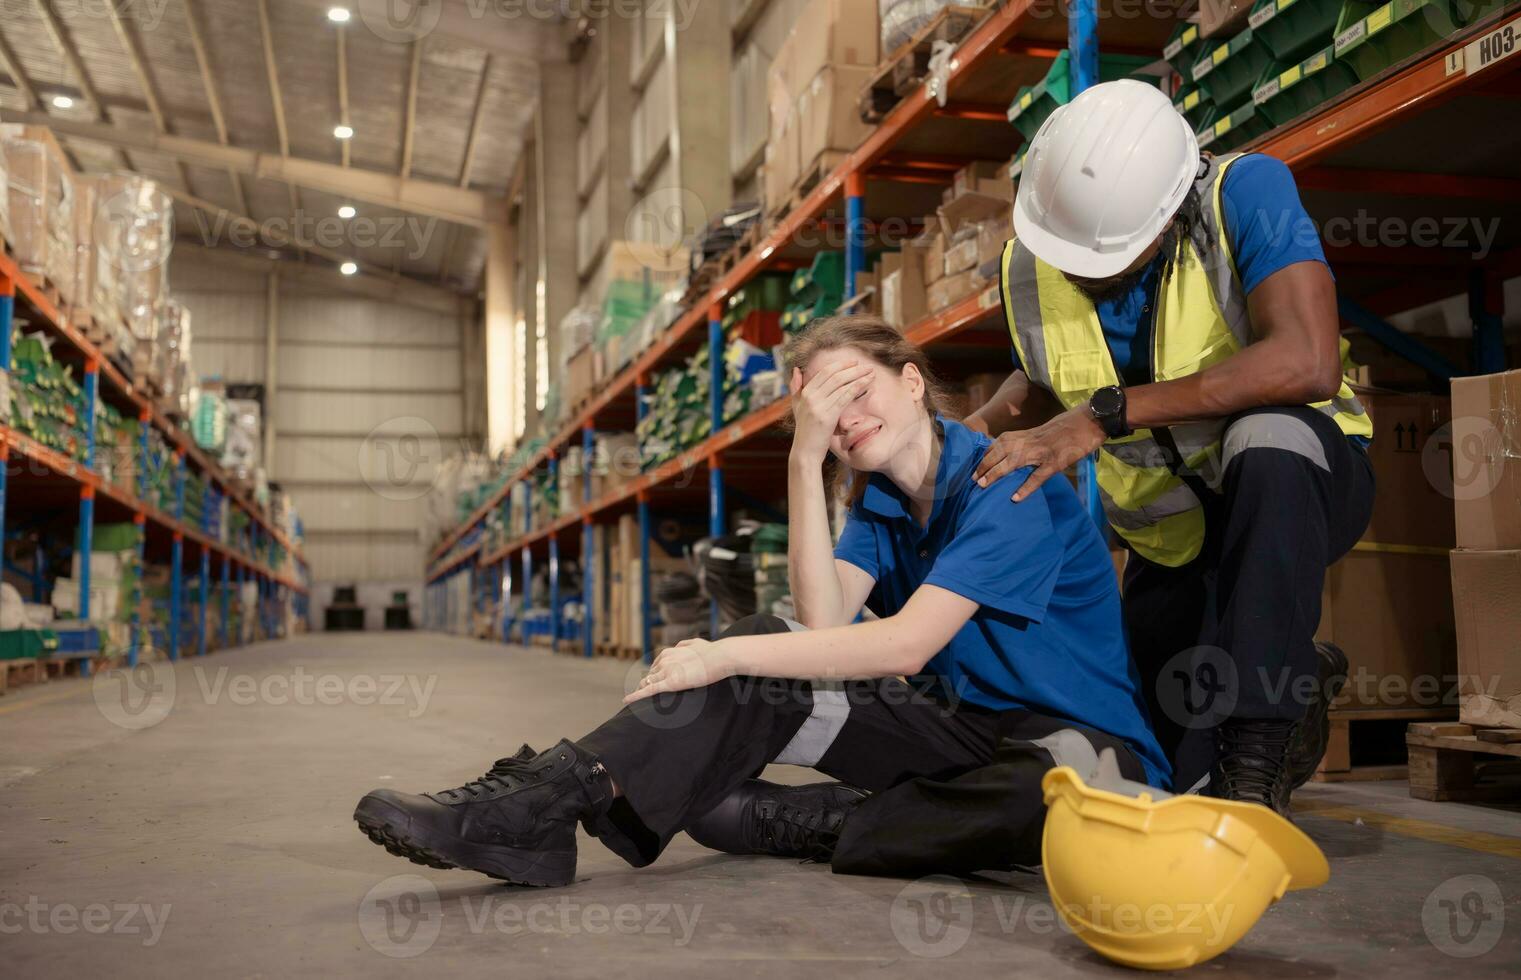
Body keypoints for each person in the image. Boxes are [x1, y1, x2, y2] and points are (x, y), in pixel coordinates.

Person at [354, 315, 1169, 886]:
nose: (845, 421)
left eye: (856, 392)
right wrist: (804, 457)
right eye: (821, 409)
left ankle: (816, 823)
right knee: (762, 640)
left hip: (1074, 744)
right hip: (954, 726)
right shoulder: (882, 505)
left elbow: (901, 646)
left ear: (913, 382)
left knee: (1055, 803)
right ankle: (540, 806)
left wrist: (721, 653)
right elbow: (819, 625)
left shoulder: (1007, 479)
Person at [965, 79, 1374, 812]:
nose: (1088, 272)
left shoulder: (1244, 193)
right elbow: (1040, 376)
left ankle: (1256, 758)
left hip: (1299, 483)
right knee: (1156, 777)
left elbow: (1307, 361)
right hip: (1170, 542)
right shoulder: (1030, 262)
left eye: (1110, 256)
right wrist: (987, 422)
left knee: (1268, 435)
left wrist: (1101, 417)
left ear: (1172, 203)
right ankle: (1291, 679)